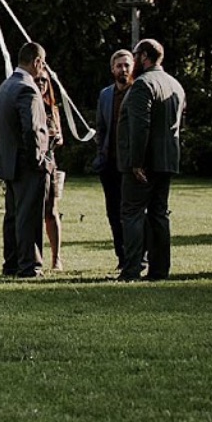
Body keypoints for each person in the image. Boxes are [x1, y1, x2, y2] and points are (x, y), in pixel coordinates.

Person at [117, 37, 185, 282]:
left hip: (144, 162)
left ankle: (132, 268)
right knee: (159, 213)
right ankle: (159, 269)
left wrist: (135, 162)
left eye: (135, 56)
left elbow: (140, 126)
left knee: (132, 213)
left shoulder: (142, 85)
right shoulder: (175, 85)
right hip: (167, 159)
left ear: (144, 56)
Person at [0, 42, 51, 278]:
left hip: (9, 162)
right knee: (29, 217)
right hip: (27, 164)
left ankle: (12, 263)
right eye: (42, 63)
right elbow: (32, 129)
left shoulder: (6, 86)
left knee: (13, 217)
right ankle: (30, 266)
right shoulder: (27, 89)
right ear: (37, 62)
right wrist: (39, 159)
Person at [93, 49, 133, 266]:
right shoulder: (105, 95)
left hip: (131, 165)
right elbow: (100, 127)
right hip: (109, 164)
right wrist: (101, 153)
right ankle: (122, 256)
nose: (123, 69)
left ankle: (137, 256)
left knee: (132, 213)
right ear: (112, 69)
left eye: (127, 65)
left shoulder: (139, 91)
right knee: (113, 214)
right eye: (119, 65)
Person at [36, 67, 66, 271]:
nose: (41, 84)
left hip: (50, 163)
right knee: (34, 213)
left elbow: (61, 137)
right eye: (38, 80)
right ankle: (36, 257)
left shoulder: (51, 109)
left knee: (51, 212)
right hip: (32, 164)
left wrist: (55, 136)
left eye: (44, 81)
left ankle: (56, 258)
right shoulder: (28, 101)